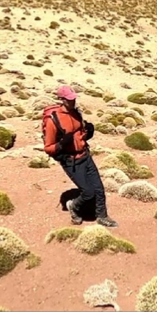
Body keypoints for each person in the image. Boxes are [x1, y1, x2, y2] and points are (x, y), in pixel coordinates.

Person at [42, 85, 115, 227]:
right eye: (69, 99)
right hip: (71, 161)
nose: (73, 102)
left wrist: (88, 133)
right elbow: (48, 148)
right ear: (62, 100)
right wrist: (62, 144)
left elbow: (80, 136)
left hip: (85, 156)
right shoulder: (53, 120)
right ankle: (74, 207)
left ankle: (102, 216)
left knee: (99, 189)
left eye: (73, 99)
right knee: (88, 192)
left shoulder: (76, 113)